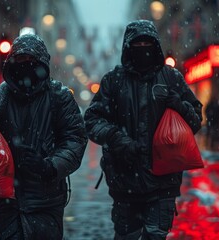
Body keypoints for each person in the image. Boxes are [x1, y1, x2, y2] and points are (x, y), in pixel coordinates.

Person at [84, 20, 203, 239]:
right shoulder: (114, 80)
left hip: (163, 183)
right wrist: (117, 138)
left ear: (155, 45)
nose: (142, 49)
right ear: (128, 46)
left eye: (147, 43)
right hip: (125, 182)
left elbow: (196, 120)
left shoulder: (171, 78)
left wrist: (178, 104)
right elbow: (91, 120)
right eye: (137, 44)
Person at [0, 34, 88, 239]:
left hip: (46, 204)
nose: (25, 67)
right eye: (20, 61)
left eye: (31, 62)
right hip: (6, 204)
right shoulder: (0, 96)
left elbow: (75, 139)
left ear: (41, 64)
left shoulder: (59, 96)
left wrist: (49, 166)